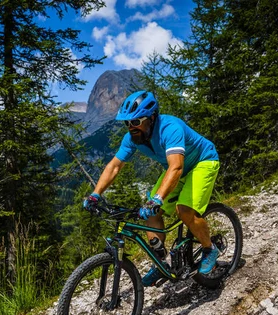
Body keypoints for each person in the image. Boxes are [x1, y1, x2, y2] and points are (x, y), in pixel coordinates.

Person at [82, 91, 221, 287]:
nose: (131, 127)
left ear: (152, 117)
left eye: (136, 121)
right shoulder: (132, 138)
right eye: (128, 123)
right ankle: (160, 263)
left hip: (202, 162)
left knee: (185, 211)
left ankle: (210, 248)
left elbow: (176, 167)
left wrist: (158, 199)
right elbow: (114, 166)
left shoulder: (169, 128)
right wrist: (95, 194)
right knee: (149, 214)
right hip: (176, 170)